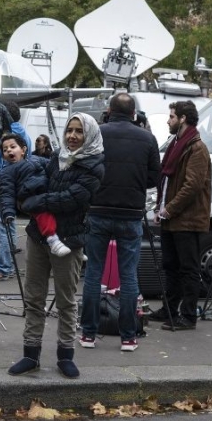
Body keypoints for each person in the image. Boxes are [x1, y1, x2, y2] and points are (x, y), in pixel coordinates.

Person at [7, 113, 104, 379]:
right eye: (69, 130)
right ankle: (30, 354)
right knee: (34, 298)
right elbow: (44, 187)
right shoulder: (56, 157)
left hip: (69, 241)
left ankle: (65, 355)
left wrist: (37, 202)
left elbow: (71, 200)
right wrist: (32, 196)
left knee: (66, 301)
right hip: (38, 236)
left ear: (89, 135)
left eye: (79, 131)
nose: (72, 136)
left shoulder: (94, 165)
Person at [80, 93, 161, 351]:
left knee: (93, 273)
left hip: (99, 210)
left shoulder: (97, 133)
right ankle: (128, 336)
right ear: (134, 113)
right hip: (131, 213)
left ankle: (88, 334)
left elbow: (85, 166)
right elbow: (153, 178)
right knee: (128, 277)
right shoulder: (147, 138)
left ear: (109, 110)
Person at [154, 100, 212, 331]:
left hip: (187, 220)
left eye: (171, 116)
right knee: (171, 266)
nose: (168, 120)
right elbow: (168, 180)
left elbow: (193, 186)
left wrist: (169, 208)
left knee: (188, 269)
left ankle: (188, 316)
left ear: (183, 118)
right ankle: (169, 309)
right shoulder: (177, 143)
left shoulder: (196, 148)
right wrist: (160, 207)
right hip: (173, 218)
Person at [0, 134, 70, 258]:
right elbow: (6, 193)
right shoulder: (6, 172)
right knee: (43, 215)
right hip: (30, 197)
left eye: (12, 146)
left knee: (61, 213)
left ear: (24, 149)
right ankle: (53, 240)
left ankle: (73, 248)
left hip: (47, 191)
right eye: (5, 149)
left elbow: (52, 165)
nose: (8, 150)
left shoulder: (35, 159)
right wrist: (8, 212)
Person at [0, 101, 33, 281]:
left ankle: (2, 268)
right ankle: (7, 266)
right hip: (12, 186)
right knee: (8, 226)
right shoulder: (22, 134)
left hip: (0, 186)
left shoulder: (8, 136)